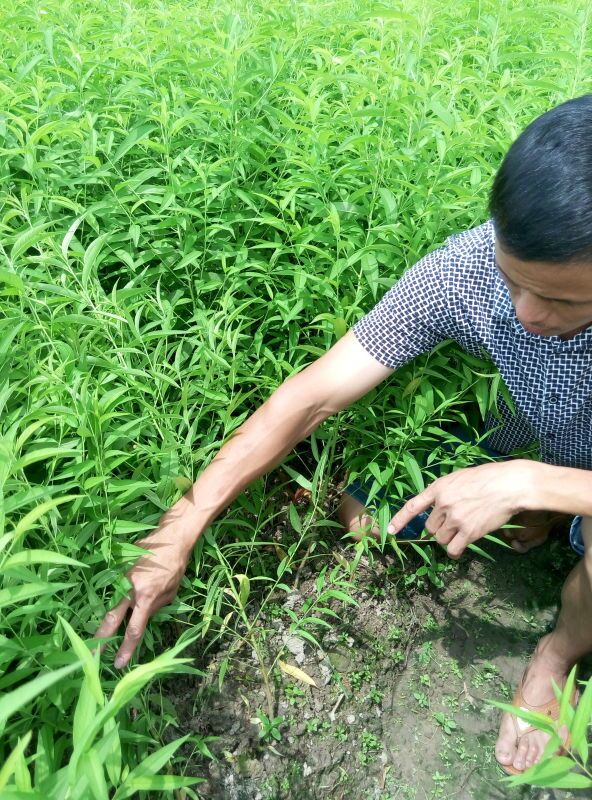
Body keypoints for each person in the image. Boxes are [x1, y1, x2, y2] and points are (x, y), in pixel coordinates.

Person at [97, 94, 592, 776]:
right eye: (515, 282)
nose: (527, 314)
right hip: (540, 439)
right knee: (366, 516)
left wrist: (535, 483)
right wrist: (183, 521)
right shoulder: (470, 270)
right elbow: (314, 395)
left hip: (556, 468)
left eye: (566, 301)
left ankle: (558, 652)